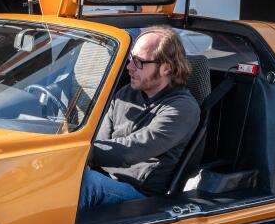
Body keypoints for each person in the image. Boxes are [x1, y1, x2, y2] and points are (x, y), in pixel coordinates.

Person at [80, 27, 200, 208]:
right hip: (104, 177)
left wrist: (79, 154)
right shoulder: (126, 93)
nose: (129, 67)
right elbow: (100, 140)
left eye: (139, 62)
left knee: (87, 184)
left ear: (166, 68)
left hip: (141, 195)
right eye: (130, 58)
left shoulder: (182, 108)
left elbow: (131, 151)